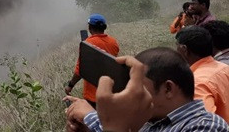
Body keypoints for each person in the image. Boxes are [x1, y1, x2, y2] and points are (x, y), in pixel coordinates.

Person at [65, 47, 229, 131]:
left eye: (139, 85)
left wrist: (102, 121)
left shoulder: (206, 126)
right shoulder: (151, 123)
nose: (132, 93)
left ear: (168, 89)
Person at [65, 14, 119, 108]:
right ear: (103, 28)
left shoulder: (87, 44)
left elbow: (80, 70)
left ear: (90, 27)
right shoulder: (113, 42)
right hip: (110, 92)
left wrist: (70, 85)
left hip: (93, 96)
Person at [176, 26, 229, 122]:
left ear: (184, 49)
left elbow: (204, 124)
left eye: (177, 46)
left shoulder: (197, 82)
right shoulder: (224, 67)